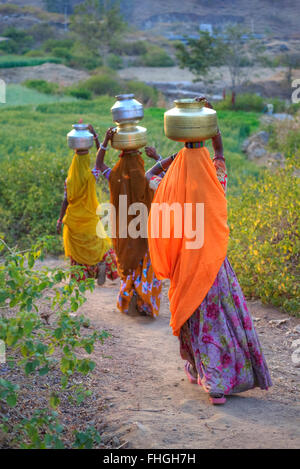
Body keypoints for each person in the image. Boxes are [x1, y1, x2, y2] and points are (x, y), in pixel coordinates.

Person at [146, 97, 272, 405]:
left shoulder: (168, 184)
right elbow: (219, 152)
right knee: (220, 320)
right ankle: (216, 381)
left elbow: (150, 176)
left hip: (187, 268)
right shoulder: (216, 179)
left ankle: (209, 376)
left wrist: (170, 159)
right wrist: (210, 127)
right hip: (215, 266)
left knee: (197, 320)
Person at [95, 128, 163, 317]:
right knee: (145, 266)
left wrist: (105, 141)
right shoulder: (146, 178)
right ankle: (144, 301)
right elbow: (166, 176)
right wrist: (158, 157)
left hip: (124, 233)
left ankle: (128, 296)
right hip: (144, 235)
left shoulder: (116, 175)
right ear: (140, 162)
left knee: (128, 263)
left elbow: (99, 164)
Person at [57, 125, 118, 285]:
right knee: (97, 245)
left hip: (74, 221)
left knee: (77, 251)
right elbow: (100, 161)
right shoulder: (92, 175)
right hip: (90, 218)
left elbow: (65, 200)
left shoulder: (69, 181)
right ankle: (100, 266)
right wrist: (99, 138)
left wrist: (59, 219)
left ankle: (81, 276)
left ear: (74, 163)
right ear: (86, 161)